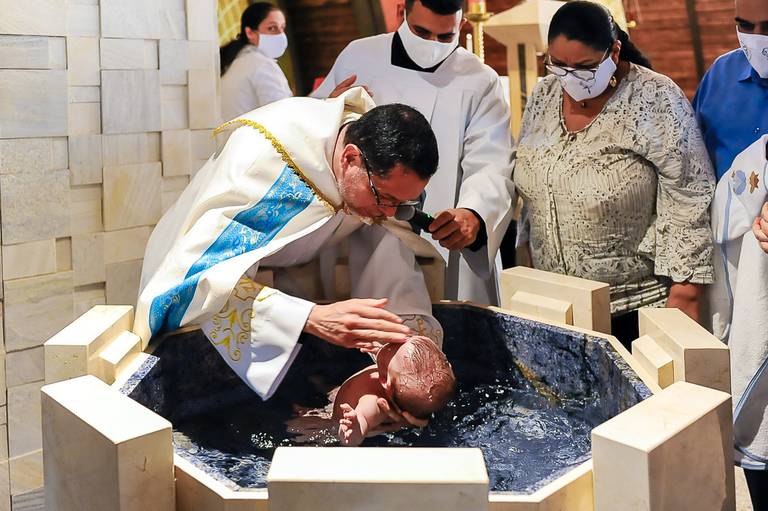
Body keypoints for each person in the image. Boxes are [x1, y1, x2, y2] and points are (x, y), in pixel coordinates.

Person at [134, 89, 444, 411]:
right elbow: (193, 281)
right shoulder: (264, 168)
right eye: (386, 198)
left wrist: (404, 350)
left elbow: (383, 238)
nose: (391, 212)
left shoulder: (365, 157)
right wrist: (311, 317)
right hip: (212, 269)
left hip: (290, 269)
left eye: (402, 203)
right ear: (349, 158)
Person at [514, 1, 715, 347]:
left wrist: (686, 294)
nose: (570, 78)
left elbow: (689, 196)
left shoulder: (655, 97)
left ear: (614, 51)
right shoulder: (543, 95)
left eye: (585, 68)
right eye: (558, 65)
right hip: (553, 306)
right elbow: (531, 188)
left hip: (634, 309)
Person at [311, 0, 515, 306]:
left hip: (443, 232)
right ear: (401, 12)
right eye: (421, 32)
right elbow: (312, 131)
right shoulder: (359, 56)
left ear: (461, 25)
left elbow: (491, 161)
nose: (432, 45)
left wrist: (474, 213)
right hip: (364, 231)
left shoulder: (480, 80)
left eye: (445, 37)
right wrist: (328, 108)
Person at [693, 0, 768, 505]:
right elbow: (698, 182)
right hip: (746, 287)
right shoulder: (720, 79)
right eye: (746, 26)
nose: (757, 37)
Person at [334, 336, 455, 446]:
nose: (392, 342)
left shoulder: (375, 402)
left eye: (393, 349)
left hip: (335, 414)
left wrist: (353, 429)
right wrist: (383, 352)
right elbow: (401, 363)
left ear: (385, 382)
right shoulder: (396, 376)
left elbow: (362, 422)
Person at [220, 3, 292, 120]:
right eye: (272, 28)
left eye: (282, 27)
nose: (280, 35)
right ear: (250, 33)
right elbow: (282, 115)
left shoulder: (236, 63)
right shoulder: (262, 64)